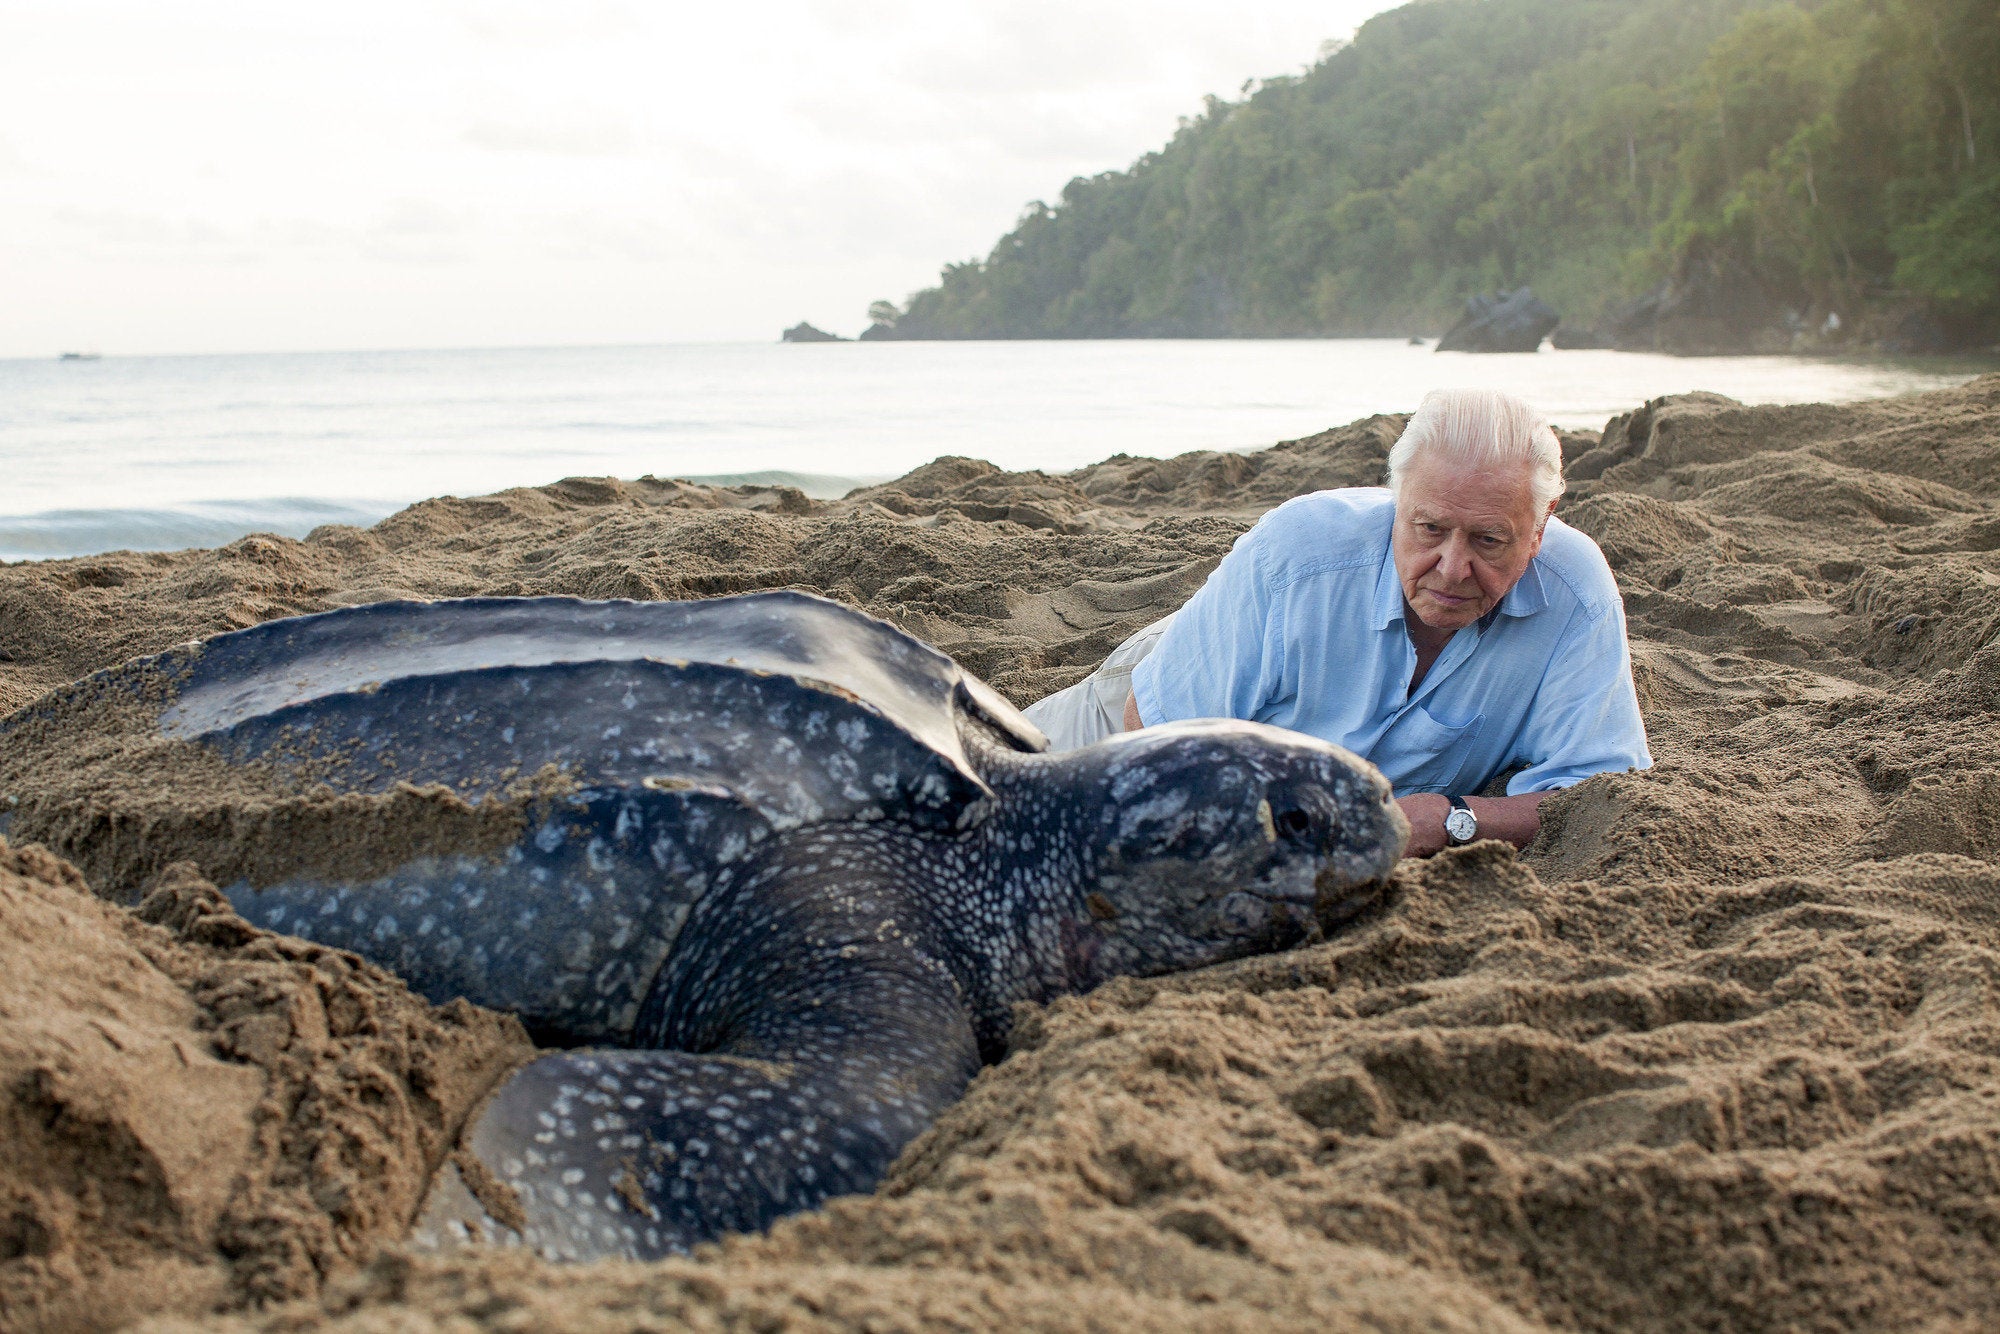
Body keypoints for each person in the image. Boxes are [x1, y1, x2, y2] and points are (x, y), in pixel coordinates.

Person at [1023, 387, 1651, 857]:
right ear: (1395, 503)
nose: (1453, 568)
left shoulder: (1576, 594)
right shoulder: (1301, 552)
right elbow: (1153, 736)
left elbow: (1594, 796)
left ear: (1540, 530)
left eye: (1489, 540)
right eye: (1429, 529)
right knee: (978, 787)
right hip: (1165, 692)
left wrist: (1449, 817)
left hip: (1322, 786)